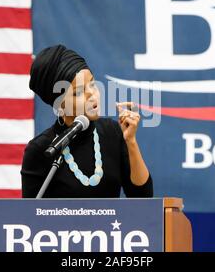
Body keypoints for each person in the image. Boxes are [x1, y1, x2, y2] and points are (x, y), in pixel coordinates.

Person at [21, 44, 153, 198]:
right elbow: (29, 215)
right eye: (78, 92)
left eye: (92, 83)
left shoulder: (112, 132)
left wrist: (130, 141)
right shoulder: (41, 149)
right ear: (60, 105)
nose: (92, 94)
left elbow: (143, 197)